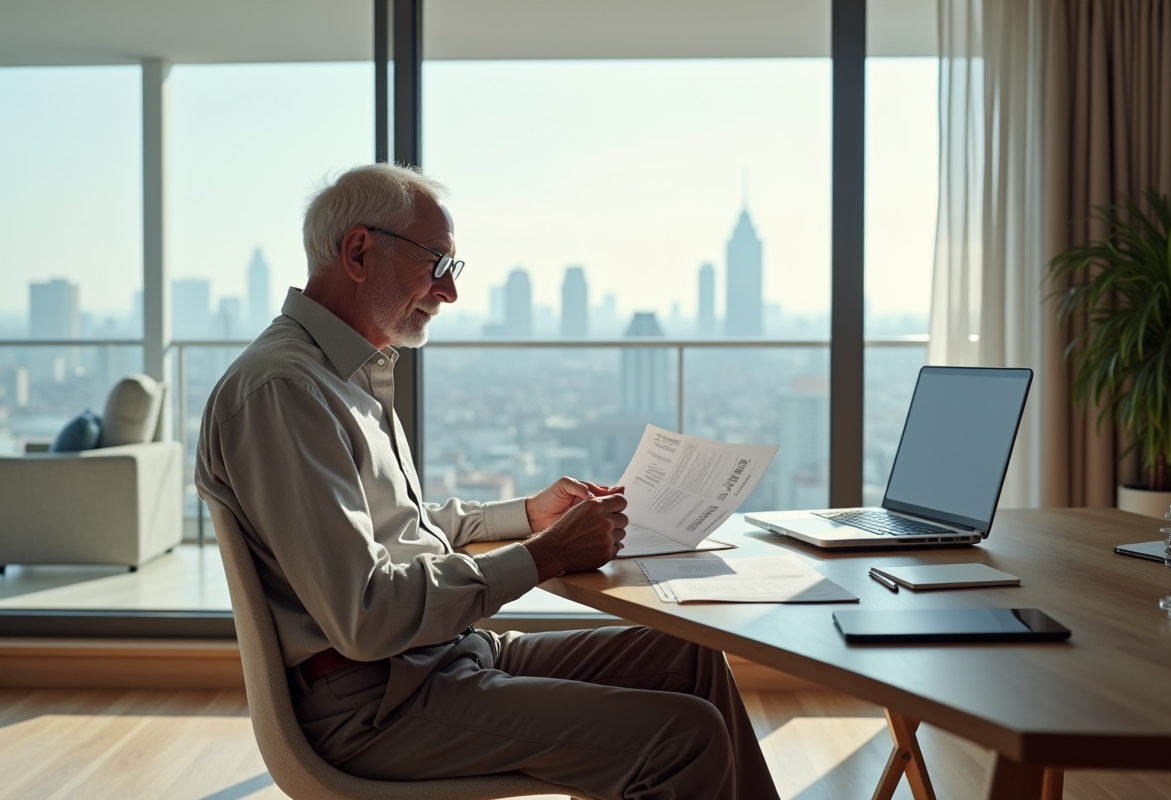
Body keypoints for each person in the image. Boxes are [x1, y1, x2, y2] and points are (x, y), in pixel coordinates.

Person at [194, 163, 780, 800]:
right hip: (376, 704)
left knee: (690, 659)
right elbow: (364, 613)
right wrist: (544, 556)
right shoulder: (286, 391)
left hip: (436, 657)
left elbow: (403, 530)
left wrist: (530, 515)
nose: (449, 293)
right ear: (359, 251)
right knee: (681, 735)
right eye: (435, 264)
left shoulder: (347, 374)